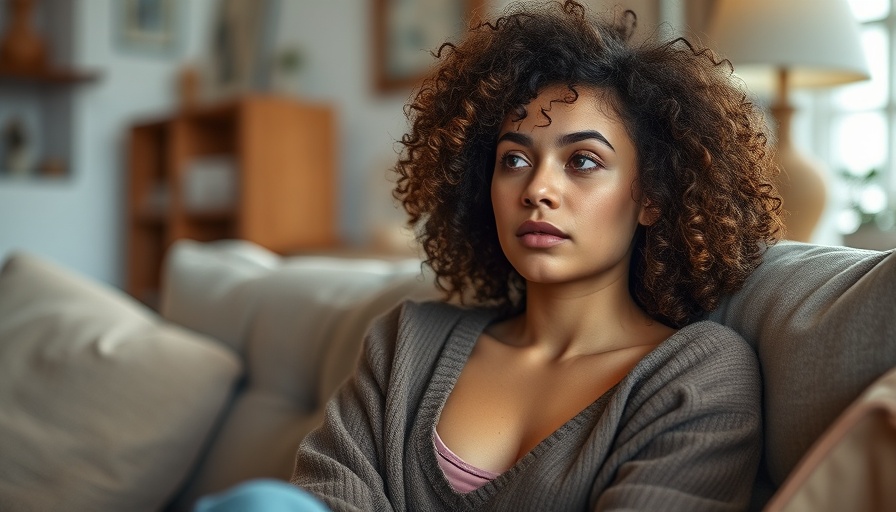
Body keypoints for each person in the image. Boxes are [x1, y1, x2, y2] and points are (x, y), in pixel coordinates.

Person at [197, 1, 783, 510]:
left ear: (652, 195)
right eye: (514, 159)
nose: (537, 189)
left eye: (582, 160)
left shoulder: (697, 374)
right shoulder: (407, 343)